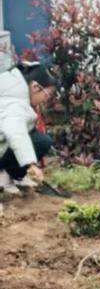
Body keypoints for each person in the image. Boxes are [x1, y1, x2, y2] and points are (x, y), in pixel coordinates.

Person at [0, 61, 56, 194]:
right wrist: (31, 165)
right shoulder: (14, 103)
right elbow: (16, 134)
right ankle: (3, 178)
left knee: (39, 139)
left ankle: (15, 176)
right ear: (35, 87)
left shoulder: (13, 91)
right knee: (37, 141)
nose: (45, 100)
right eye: (47, 95)